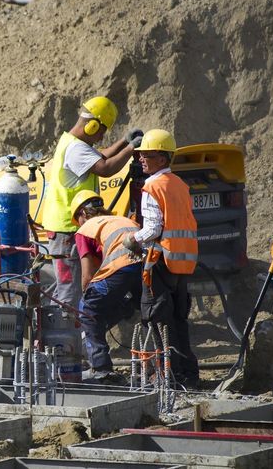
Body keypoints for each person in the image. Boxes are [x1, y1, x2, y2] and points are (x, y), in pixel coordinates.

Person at [41, 96, 143, 310]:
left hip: (71, 226)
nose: (101, 136)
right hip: (66, 228)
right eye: (101, 130)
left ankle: (76, 336)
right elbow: (105, 168)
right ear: (92, 125)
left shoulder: (71, 142)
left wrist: (124, 141)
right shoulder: (76, 148)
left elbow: (100, 155)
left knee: (76, 287)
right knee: (70, 290)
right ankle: (67, 339)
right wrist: (132, 148)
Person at [122, 129, 199, 388]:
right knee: (178, 319)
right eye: (141, 154)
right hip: (181, 262)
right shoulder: (179, 185)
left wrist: (133, 239)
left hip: (159, 261)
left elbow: (154, 228)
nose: (141, 159)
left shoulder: (152, 187)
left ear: (163, 159)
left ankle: (166, 376)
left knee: (157, 318)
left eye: (147, 155)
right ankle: (188, 373)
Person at [70, 190, 143, 380]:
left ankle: (101, 370)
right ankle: (159, 363)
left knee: (88, 309)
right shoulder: (121, 220)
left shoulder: (86, 228)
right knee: (138, 305)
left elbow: (88, 272)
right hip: (145, 267)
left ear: (83, 214)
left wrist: (86, 300)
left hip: (123, 267)